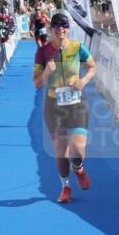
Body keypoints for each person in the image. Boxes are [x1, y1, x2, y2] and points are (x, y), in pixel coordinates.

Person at [33, 11, 97, 204]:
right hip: (54, 105)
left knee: (78, 148)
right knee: (61, 149)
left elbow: (92, 67)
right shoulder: (43, 52)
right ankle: (65, 186)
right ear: (51, 28)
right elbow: (36, 84)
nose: (61, 29)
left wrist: (83, 81)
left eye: (64, 25)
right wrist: (46, 72)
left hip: (76, 103)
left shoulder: (78, 48)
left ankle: (78, 169)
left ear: (68, 29)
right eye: (56, 25)